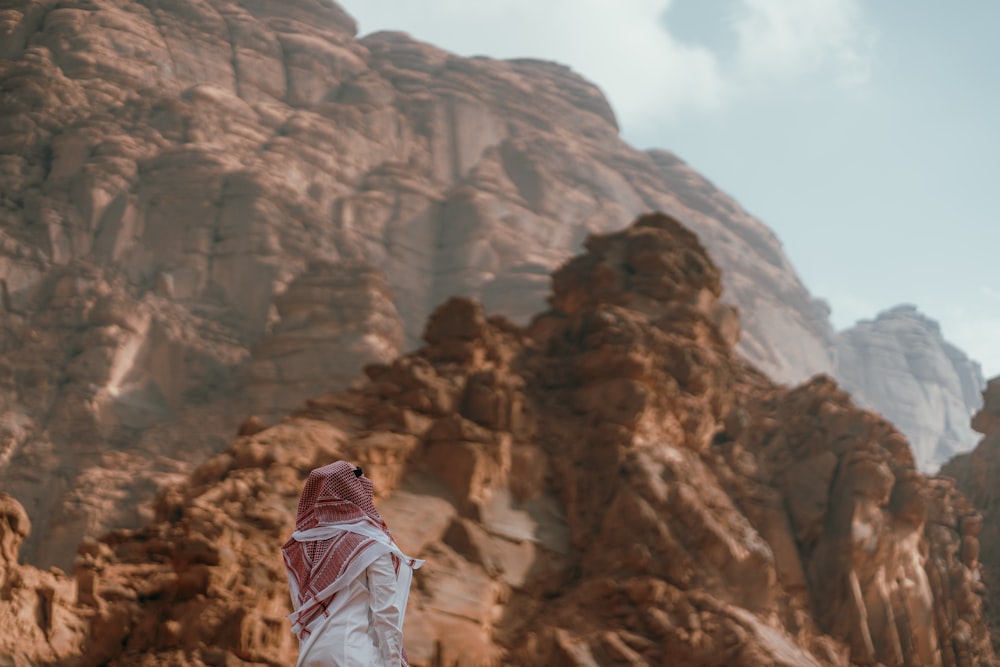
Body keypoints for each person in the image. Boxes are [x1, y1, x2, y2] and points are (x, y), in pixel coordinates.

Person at [282, 461, 423, 667]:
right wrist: (394, 661)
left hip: (311, 653)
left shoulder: (305, 545)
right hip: (353, 653)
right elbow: (385, 613)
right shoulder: (372, 545)